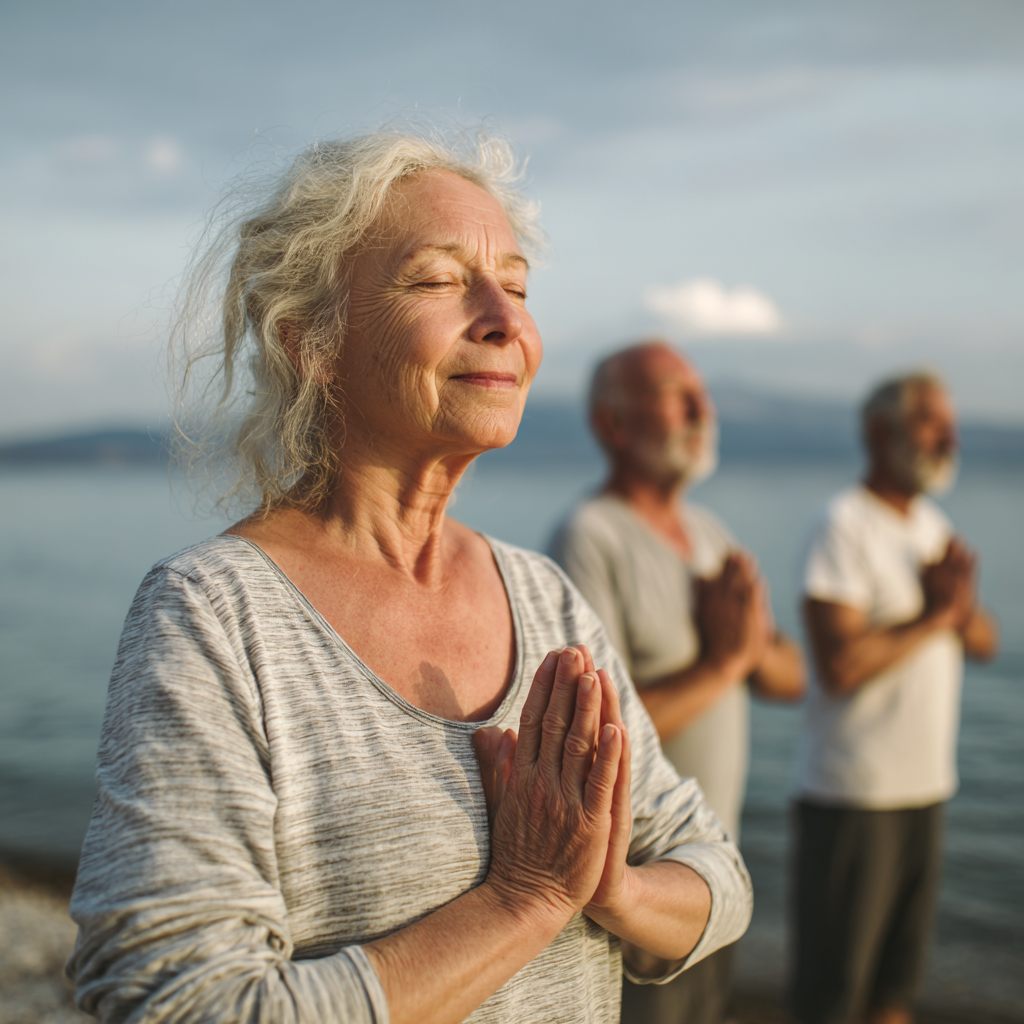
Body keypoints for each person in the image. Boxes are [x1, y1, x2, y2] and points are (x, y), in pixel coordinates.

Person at [65, 131, 753, 1024]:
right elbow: (178, 1004)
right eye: (437, 279)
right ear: (310, 341)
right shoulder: (214, 614)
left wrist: (609, 884)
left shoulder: (542, 594)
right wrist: (525, 898)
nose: (504, 317)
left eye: (516, 284)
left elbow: (720, 877)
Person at [549, 341, 805, 1024]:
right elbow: (592, 737)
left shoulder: (709, 533)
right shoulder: (589, 537)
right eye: (674, 394)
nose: (701, 409)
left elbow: (790, 676)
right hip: (633, 894)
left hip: (714, 876)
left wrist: (743, 649)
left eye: (702, 393)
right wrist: (722, 664)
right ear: (615, 426)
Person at [790, 372, 999, 1024]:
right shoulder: (844, 526)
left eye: (949, 423)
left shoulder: (931, 525)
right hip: (852, 796)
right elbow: (839, 666)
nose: (951, 437)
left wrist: (955, 611)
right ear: (882, 434)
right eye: (933, 423)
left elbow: (985, 638)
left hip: (925, 789)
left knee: (895, 989)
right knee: (833, 994)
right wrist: (936, 618)